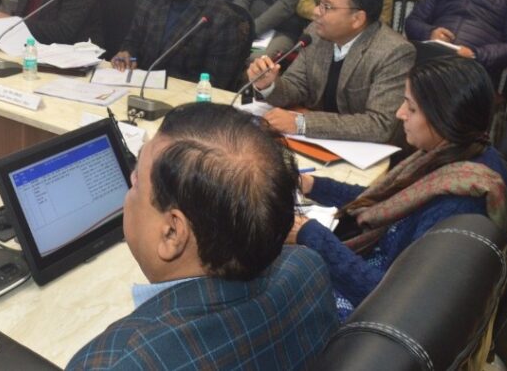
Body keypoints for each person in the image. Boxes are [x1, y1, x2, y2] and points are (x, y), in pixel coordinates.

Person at [68, 103, 338, 370]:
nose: (130, 179)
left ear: (172, 232)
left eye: (137, 180)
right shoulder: (307, 268)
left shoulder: (116, 362)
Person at [288, 57, 507, 320]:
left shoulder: (457, 205)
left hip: (373, 308)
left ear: (444, 116)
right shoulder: (453, 154)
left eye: (412, 108)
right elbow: (386, 200)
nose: (400, 113)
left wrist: (311, 234)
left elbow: (392, 297)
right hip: (381, 270)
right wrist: (313, 185)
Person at [248, 0, 415, 143]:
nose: (316, 12)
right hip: (317, 142)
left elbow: (380, 124)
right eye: (318, 3)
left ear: (357, 19)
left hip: (364, 150)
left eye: (327, 7)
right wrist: (268, 85)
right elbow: (296, 86)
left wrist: (303, 123)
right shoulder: (315, 33)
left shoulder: (394, 52)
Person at [111, 0, 245, 89]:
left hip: (185, 97)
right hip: (138, 88)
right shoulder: (148, 0)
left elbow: (216, 82)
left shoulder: (221, 19)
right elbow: (132, 42)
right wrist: (127, 54)